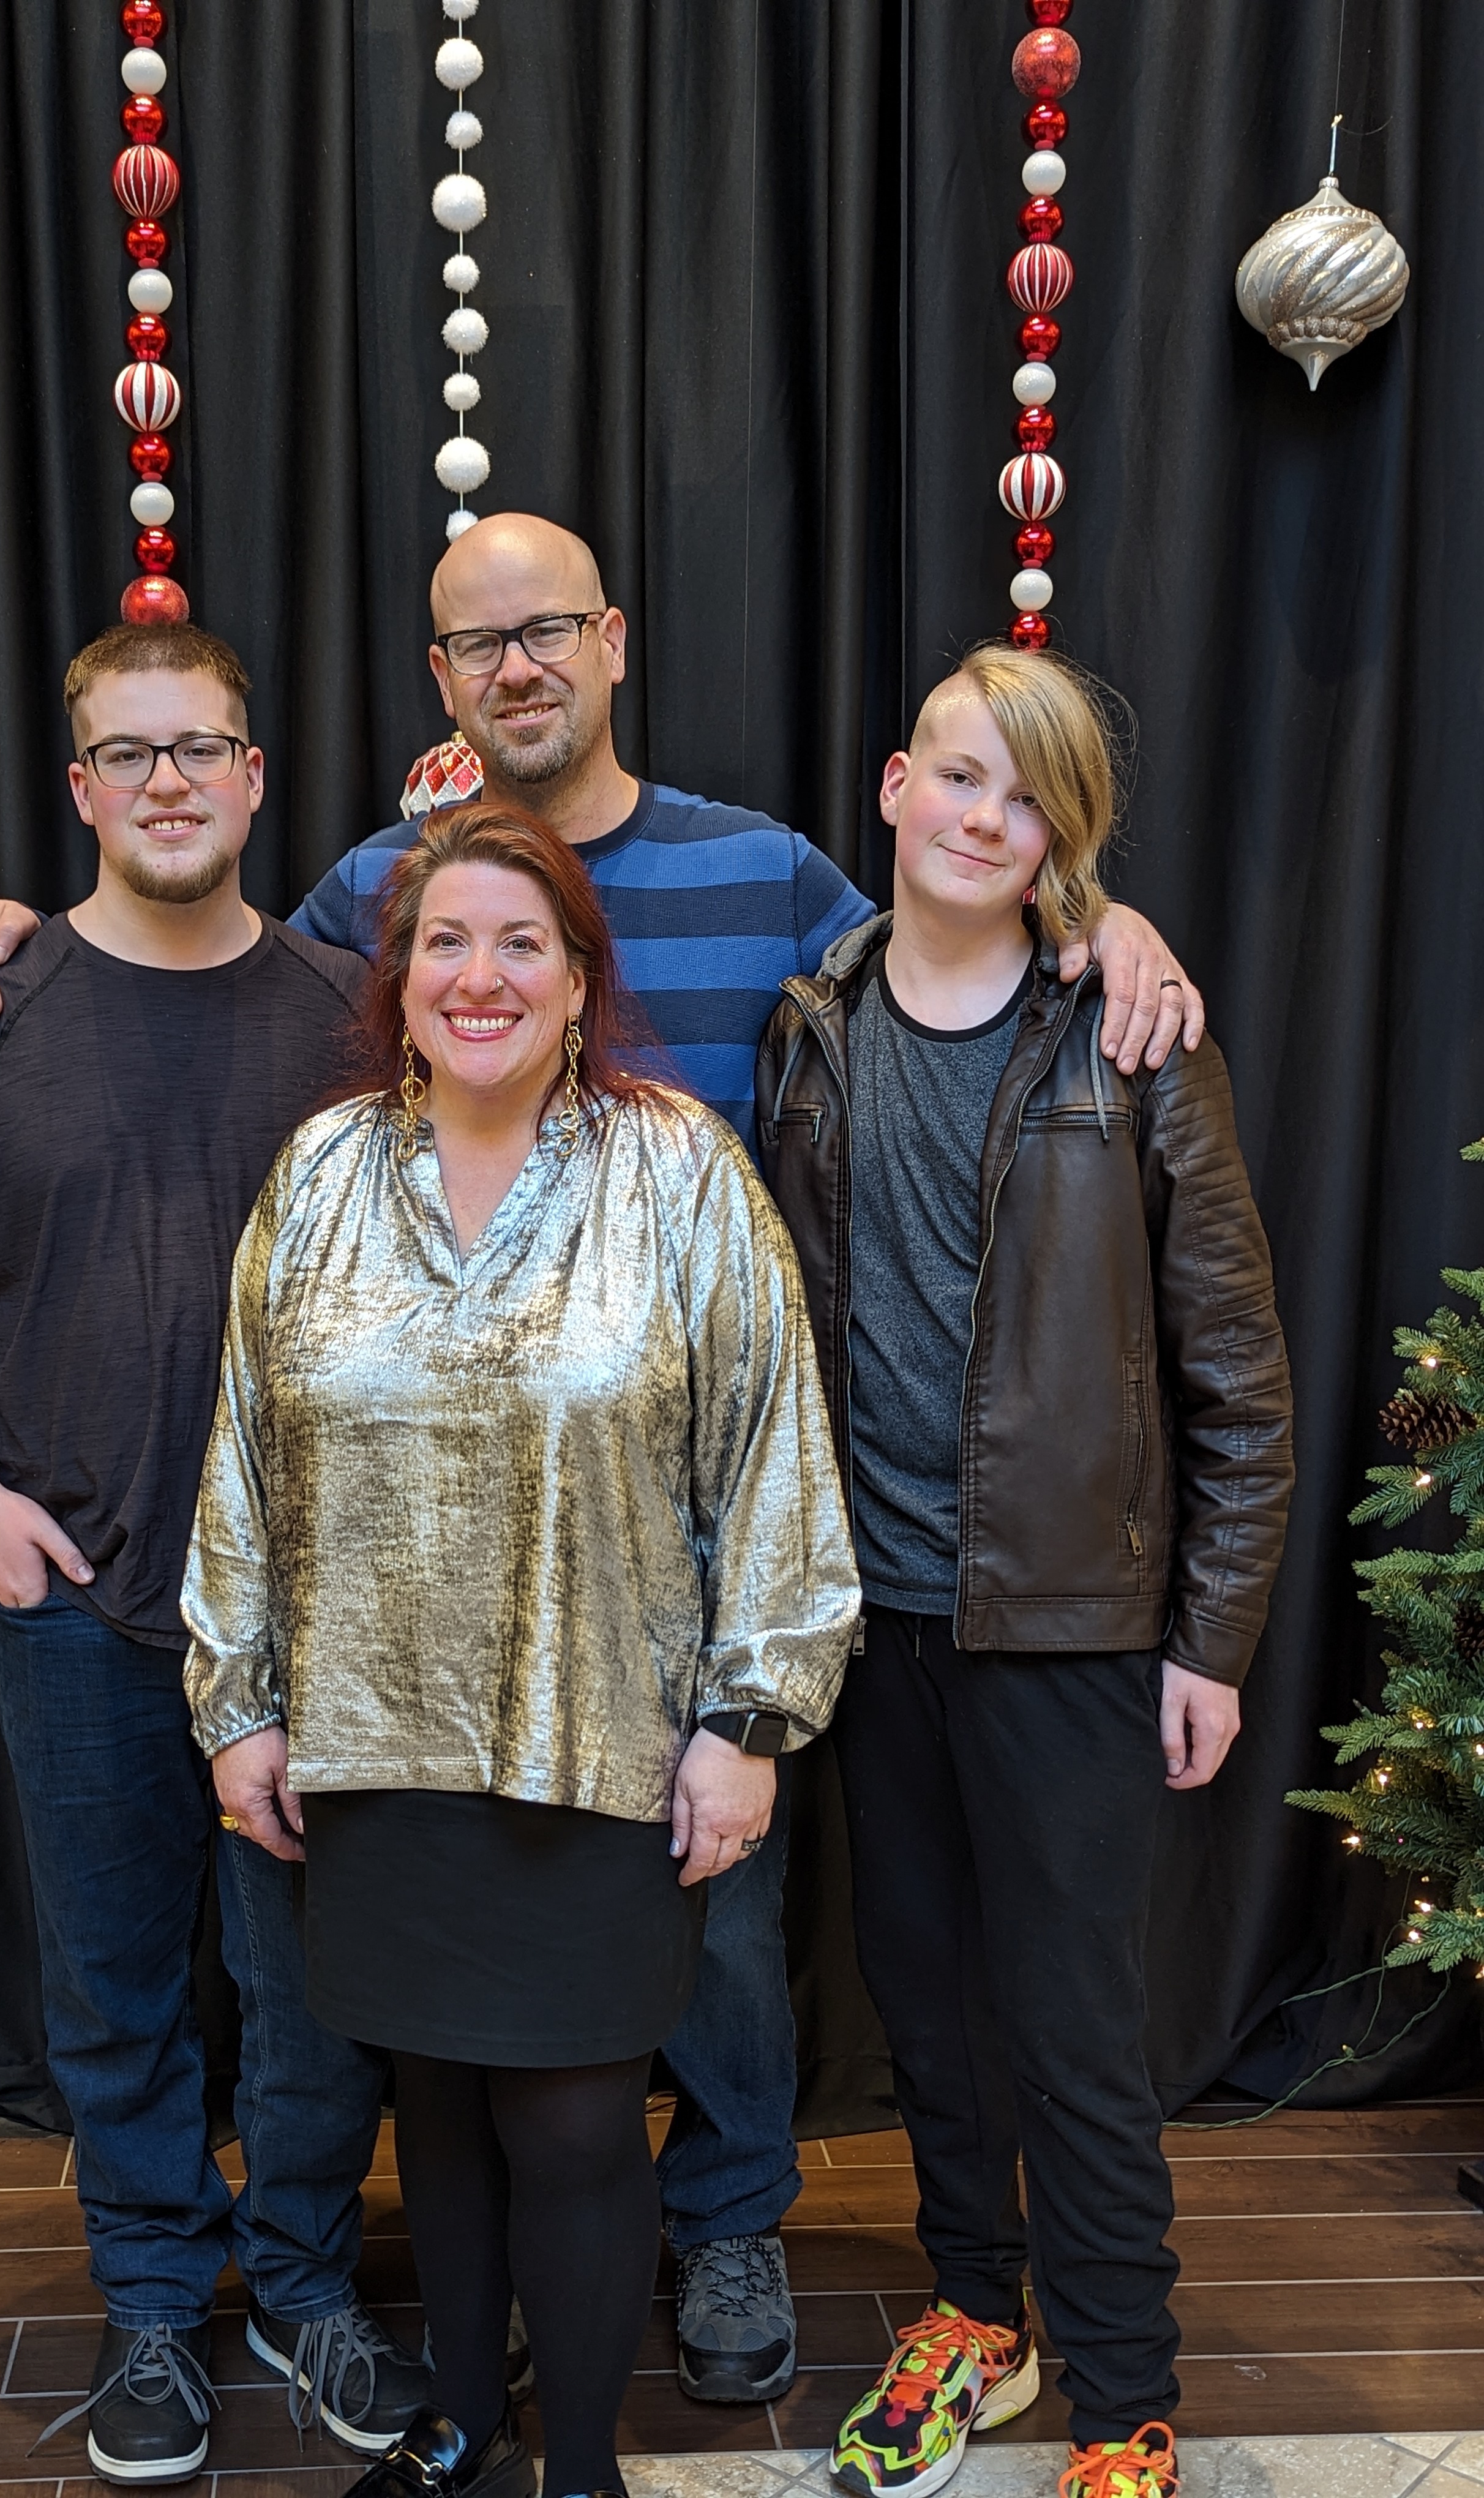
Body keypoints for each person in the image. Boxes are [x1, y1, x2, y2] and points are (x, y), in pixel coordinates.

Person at [0, 513, 1210, 2406]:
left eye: (548, 631)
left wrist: (1103, 921)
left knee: (726, 1928)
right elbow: (190, 945)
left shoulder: (768, 873)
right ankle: (448, 2294)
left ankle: (731, 2220)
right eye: (475, 643)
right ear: (440, 681)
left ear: (612, 645)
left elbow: (958, 928)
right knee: (441, 1983)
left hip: (698, 1559)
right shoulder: (376, 889)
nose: (516, 666)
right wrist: (4, 927)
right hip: (431, 1585)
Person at [0, 620, 435, 2486]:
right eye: (132, 753)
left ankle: (302, 2283)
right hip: (77, 1607)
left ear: (254, 776)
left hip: (321, 1620)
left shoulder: (351, 1011)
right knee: (116, 1986)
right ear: (81, 787)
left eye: (202, 747)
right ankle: (155, 2297)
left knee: (316, 1995)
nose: (172, 782)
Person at [184, 798, 863, 2498]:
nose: (478, 976)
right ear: (399, 979)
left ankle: (580, 2478)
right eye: (445, 943)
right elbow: (244, 1453)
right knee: (440, 2109)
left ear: (578, 980)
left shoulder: (679, 1170)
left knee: (569, 2122)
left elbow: (773, 1452)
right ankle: (464, 2430)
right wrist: (236, 1702)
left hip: (603, 1745)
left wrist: (749, 1724)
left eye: (521, 943)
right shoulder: (321, 1174)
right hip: (375, 1751)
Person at [755, 645, 1294, 2498]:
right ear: (897, 789)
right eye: (962, 775)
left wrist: (1213, 1638)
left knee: (1073, 2031)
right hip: (877, 1622)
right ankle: (977, 2312)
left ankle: (1125, 2399)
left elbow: (1237, 1369)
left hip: (1072, 1626)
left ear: (1066, 840)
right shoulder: (813, 1027)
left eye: (1032, 797)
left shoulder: (1134, 1040)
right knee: (926, 2006)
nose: (988, 818)